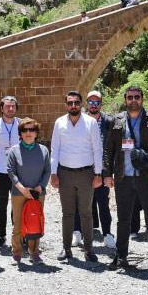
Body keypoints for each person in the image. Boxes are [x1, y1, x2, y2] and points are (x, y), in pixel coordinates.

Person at [104, 86, 148, 271]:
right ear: (125, 99)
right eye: (130, 97)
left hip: (146, 177)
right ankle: (120, 257)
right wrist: (107, 174)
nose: (133, 100)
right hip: (123, 177)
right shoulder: (117, 120)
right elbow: (109, 149)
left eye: (137, 97)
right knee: (123, 219)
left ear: (142, 99)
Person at [51, 90, 102, 263]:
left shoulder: (90, 123)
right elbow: (55, 149)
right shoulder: (59, 123)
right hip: (64, 173)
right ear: (66, 105)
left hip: (86, 173)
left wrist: (98, 173)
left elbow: (97, 149)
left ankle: (89, 249)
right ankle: (66, 249)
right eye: (70, 103)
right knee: (67, 213)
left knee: (87, 213)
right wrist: (53, 173)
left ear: (81, 104)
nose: (73, 105)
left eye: (76, 102)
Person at [72, 91, 116, 250]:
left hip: (102, 169)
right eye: (90, 101)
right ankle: (77, 232)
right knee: (79, 203)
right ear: (86, 103)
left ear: (101, 104)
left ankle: (107, 234)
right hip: (82, 168)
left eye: (97, 102)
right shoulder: (79, 121)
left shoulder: (109, 122)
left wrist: (109, 172)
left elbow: (112, 148)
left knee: (103, 203)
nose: (93, 105)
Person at [7, 117, 50, 263]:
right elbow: (11, 171)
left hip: (38, 193)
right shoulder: (14, 150)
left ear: (36, 133)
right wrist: (21, 188)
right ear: (20, 133)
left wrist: (41, 186)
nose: (28, 133)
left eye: (32, 129)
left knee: (35, 222)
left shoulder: (43, 150)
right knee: (18, 223)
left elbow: (47, 171)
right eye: (25, 130)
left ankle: (34, 252)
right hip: (19, 193)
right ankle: (17, 252)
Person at [0, 96, 21, 248]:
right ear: (1, 108)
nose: (10, 109)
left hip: (18, 172)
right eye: (7, 106)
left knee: (18, 205)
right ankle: (1, 236)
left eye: (13, 106)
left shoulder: (21, 125)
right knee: (1, 206)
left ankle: (18, 235)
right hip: (0, 171)